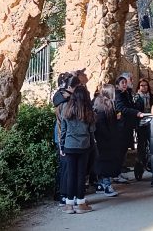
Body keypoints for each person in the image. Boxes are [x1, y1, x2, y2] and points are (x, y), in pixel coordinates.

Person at [59, 77, 96, 214]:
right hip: (84, 146)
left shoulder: (66, 111)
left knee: (71, 175)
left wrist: (62, 146)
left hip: (69, 145)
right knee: (81, 175)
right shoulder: (89, 113)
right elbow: (92, 130)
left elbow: (63, 131)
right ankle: (81, 203)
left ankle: (69, 205)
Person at [114, 74, 145, 180]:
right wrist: (136, 113)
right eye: (122, 83)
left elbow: (130, 106)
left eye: (125, 82)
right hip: (121, 127)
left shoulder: (126, 94)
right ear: (117, 85)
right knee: (119, 150)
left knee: (123, 150)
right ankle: (116, 173)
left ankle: (118, 172)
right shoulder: (118, 95)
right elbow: (121, 108)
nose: (125, 84)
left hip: (127, 126)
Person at [92, 85, 121, 197]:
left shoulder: (98, 103)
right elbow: (103, 123)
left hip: (102, 137)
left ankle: (100, 184)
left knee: (102, 161)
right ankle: (107, 184)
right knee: (107, 161)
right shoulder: (105, 106)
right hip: (106, 138)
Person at [52, 71, 74, 204]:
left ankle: (63, 192)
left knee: (65, 165)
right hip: (61, 134)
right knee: (64, 165)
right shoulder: (61, 96)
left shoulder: (63, 96)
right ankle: (61, 193)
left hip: (63, 134)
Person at [135, 78, 153, 172]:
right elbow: (136, 108)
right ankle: (140, 163)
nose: (144, 87)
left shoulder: (151, 96)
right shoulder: (137, 97)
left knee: (151, 141)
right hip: (141, 122)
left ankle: (151, 162)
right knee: (141, 143)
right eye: (142, 85)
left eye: (145, 85)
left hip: (151, 121)